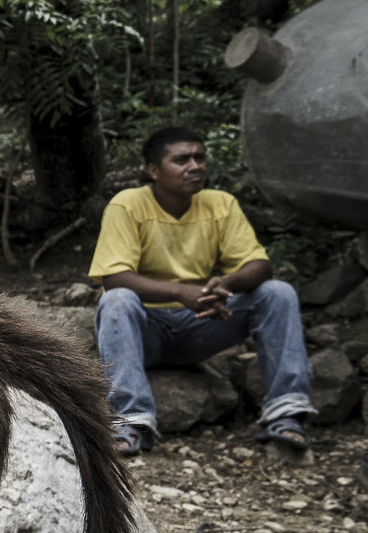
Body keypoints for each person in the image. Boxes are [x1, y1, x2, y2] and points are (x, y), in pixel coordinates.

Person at [93, 126, 313, 456]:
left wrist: (224, 286)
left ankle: (286, 415)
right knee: (117, 301)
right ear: (154, 171)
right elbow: (113, 277)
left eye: (200, 158)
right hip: (146, 330)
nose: (195, 166)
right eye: (181, 160)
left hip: (202, 321)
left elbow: (259, 266)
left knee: (277, 292)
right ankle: (131, 423)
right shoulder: (127, 205)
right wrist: (182, 292)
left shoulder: (220, 203)